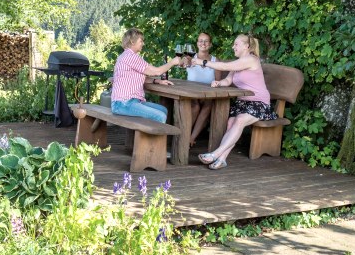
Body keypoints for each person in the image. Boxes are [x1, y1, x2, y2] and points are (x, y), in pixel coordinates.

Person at [190, 33, 277, 169]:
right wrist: (219, 83)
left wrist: (202, 62)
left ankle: (215, 154)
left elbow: (225, 67)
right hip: (243, 103)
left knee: (240, 120)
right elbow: (228, 80)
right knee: (231, 122)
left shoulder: (251, 59)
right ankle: (222, 160)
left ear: (246, 46)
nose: (233, 47)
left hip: (259, 103)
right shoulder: (238, 63)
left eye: (236, 44)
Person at [111, 28, 182, 123]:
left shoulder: (125, 56)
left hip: (128, 102)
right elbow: (157, 72)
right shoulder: (131, 57)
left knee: (163, 110)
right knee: (160, 116)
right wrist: (173, 62)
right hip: (123, 103)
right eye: (141, 41)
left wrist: (157, 81)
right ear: (132, 42)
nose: (143, 43)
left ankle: (162, 137)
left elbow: (135, 76)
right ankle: (153, 137)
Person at [184, 32, 222, 146]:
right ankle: (183, 134)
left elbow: (218, 83)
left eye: (206, 41)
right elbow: (182, 63)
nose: (203, 43)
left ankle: (191, 138)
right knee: (194, 107)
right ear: (197, 43)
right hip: (191, 93)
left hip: (207, 94)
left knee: (208, 105)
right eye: (200, 41)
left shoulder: (216, 61)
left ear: (210, 44)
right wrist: (183, 62)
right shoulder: (190, 58)